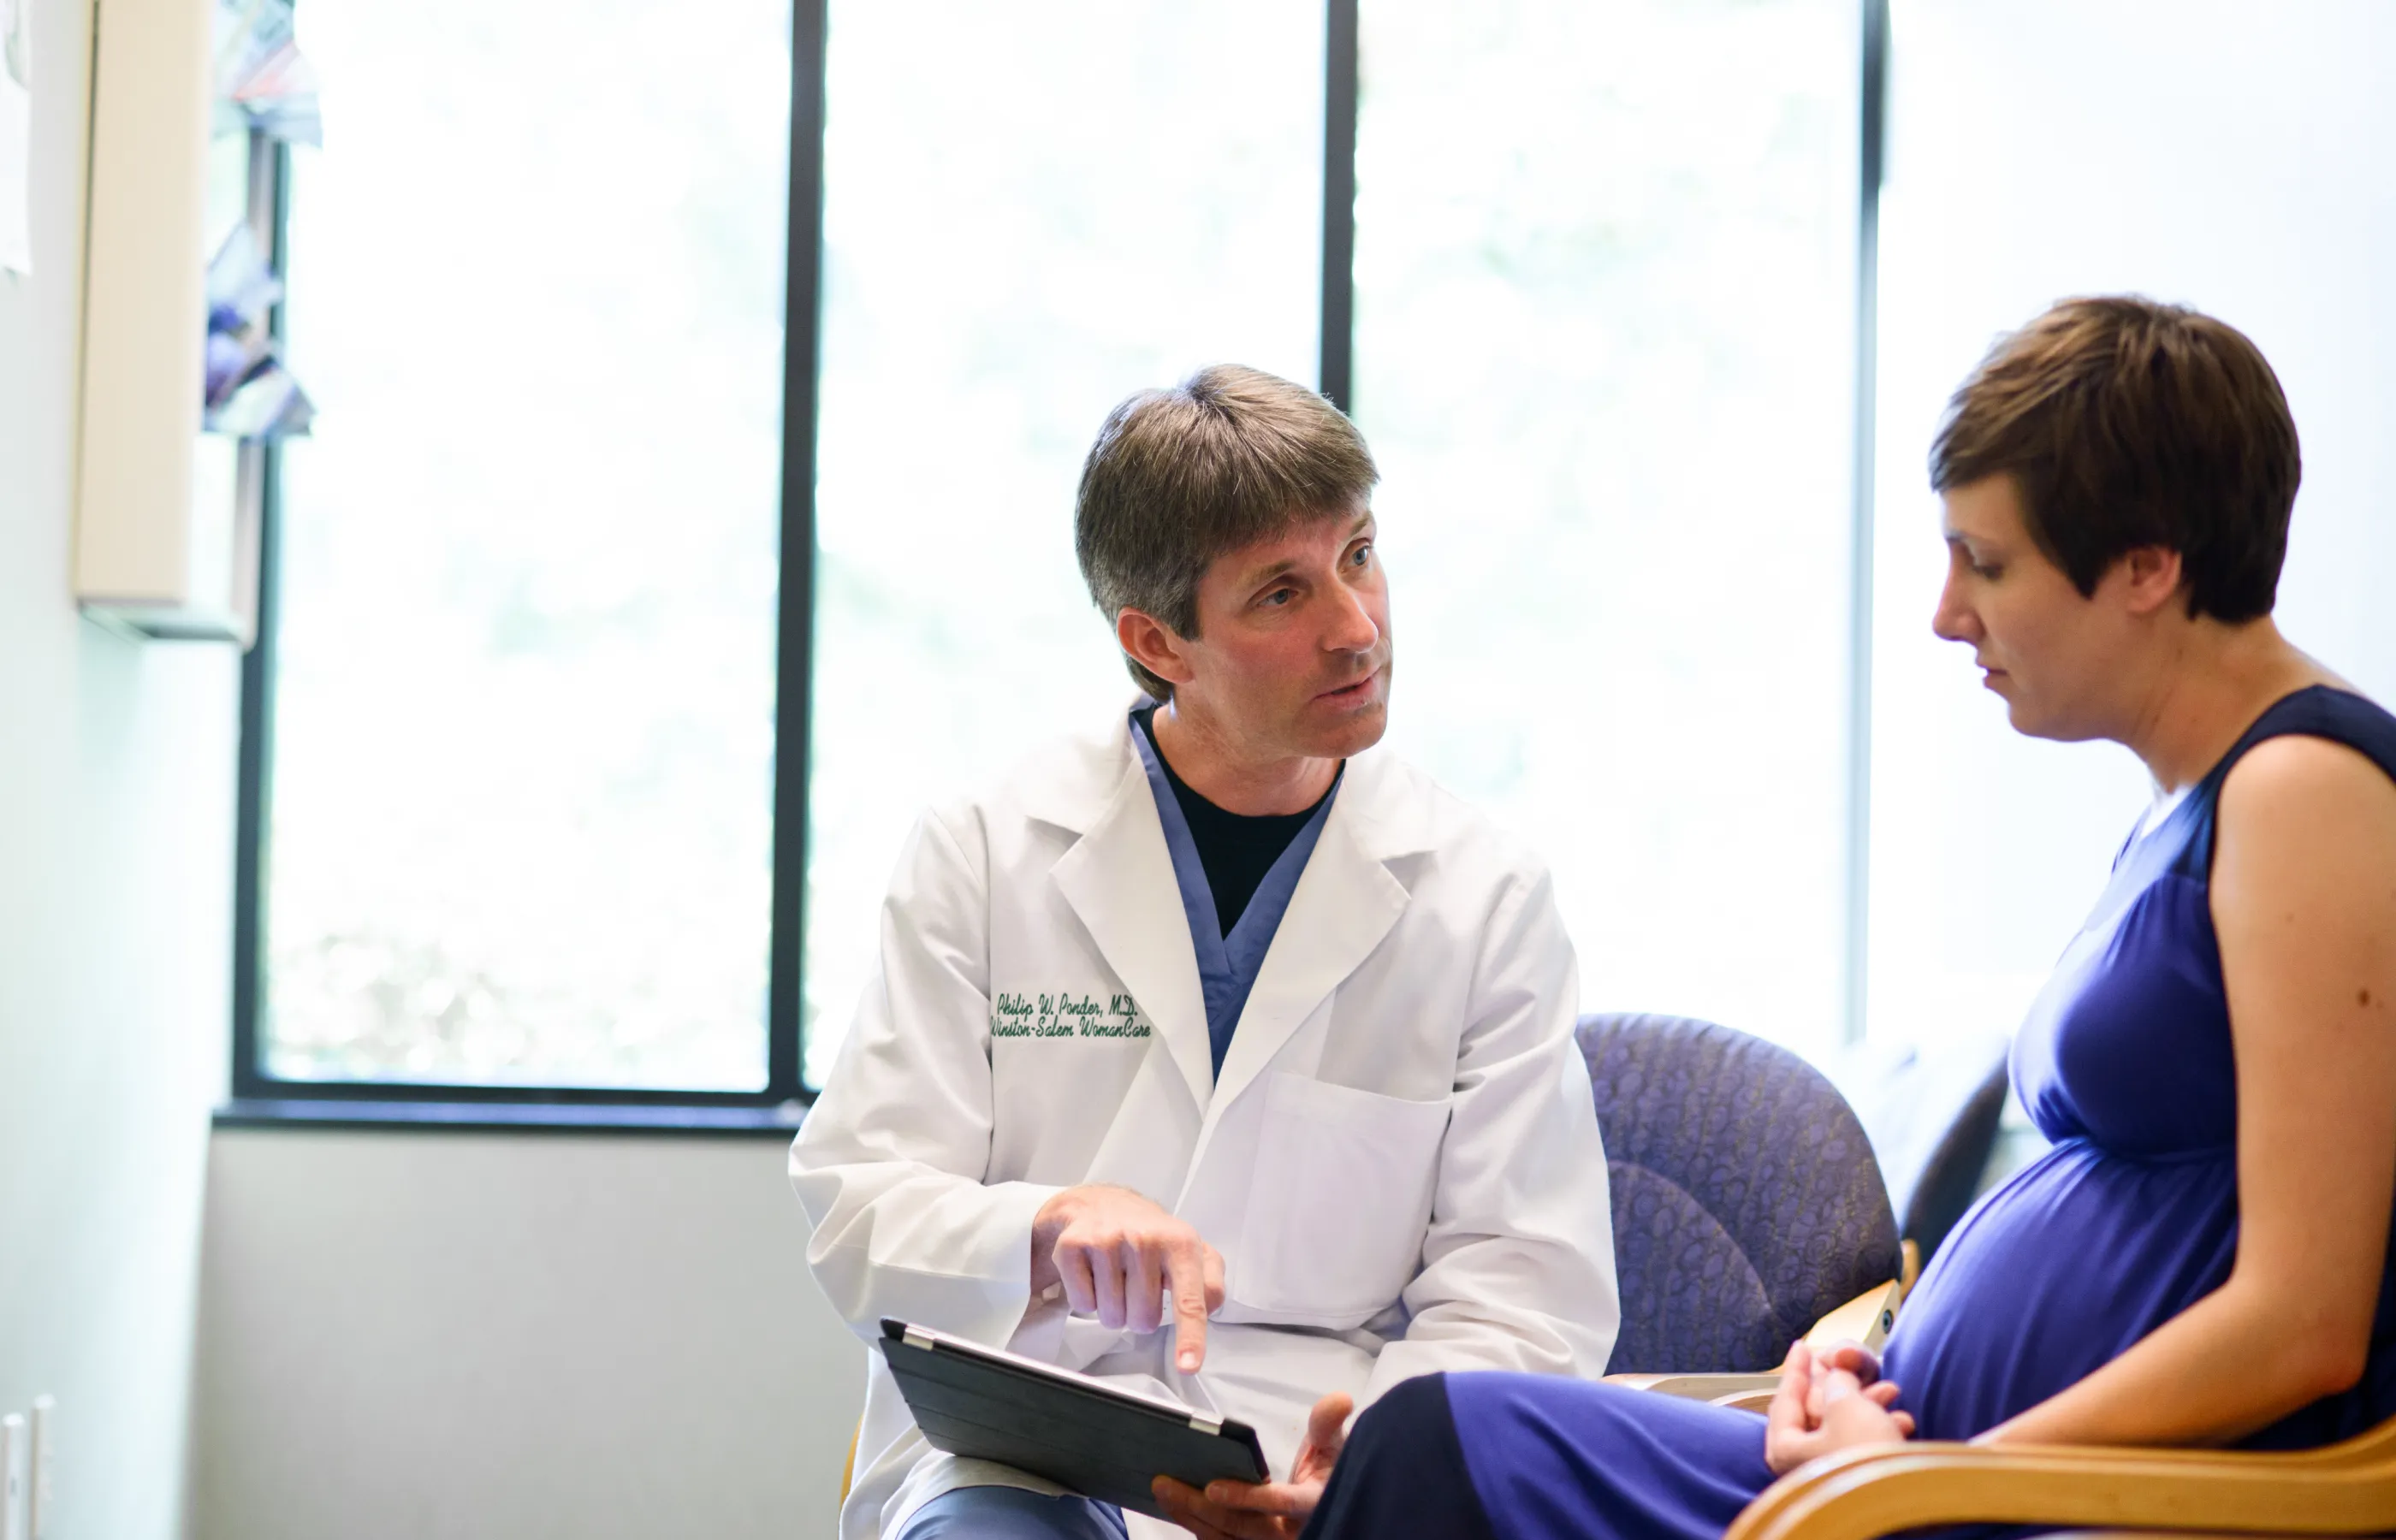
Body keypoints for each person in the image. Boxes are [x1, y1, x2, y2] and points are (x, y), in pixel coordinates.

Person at [1292, 295, 2396, 1540]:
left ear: (2147, 565)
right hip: (1922, 1474)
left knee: (1436, 1451)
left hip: (2001, 1505)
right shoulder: (2193, 803)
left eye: (1988, 562)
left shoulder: (2311, 791)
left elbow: (2306, 1322)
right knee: (1427, 1433)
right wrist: (1863, 1358)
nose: (1946, 611)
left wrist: (1928, 1482)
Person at [790, 364, 1622, 1540]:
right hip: (1038, 1447)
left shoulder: (1484, 895)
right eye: (1282, 595)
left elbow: (1524, 1290)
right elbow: (857, 1204)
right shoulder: (985, 849)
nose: (1357, 626)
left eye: (1361, 554)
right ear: (1157, 641)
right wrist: (1043, 1228)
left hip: (1331, 1441)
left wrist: (1367, 1470)